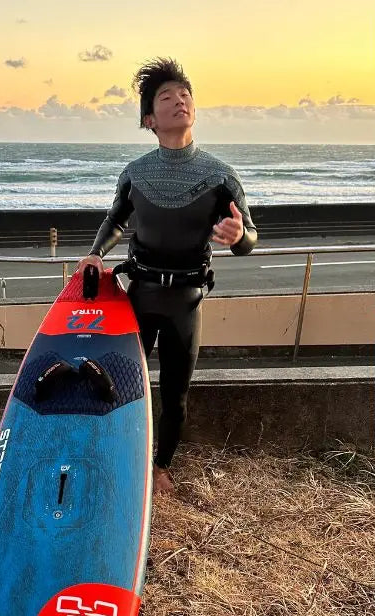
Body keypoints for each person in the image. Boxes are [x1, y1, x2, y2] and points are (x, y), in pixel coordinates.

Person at [75, 57, 258, 494]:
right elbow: (115, 220)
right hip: (138, 294)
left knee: (174, 393)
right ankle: (118, 454)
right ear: (149, 119)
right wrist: (94, 254)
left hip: (186, 301)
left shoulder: (220, 176)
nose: (180, 101)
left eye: (185, 95)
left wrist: (236, 237)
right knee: (118, 381)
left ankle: (160, 467)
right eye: (166, 97)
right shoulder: (135, 173)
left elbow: (250, 235)